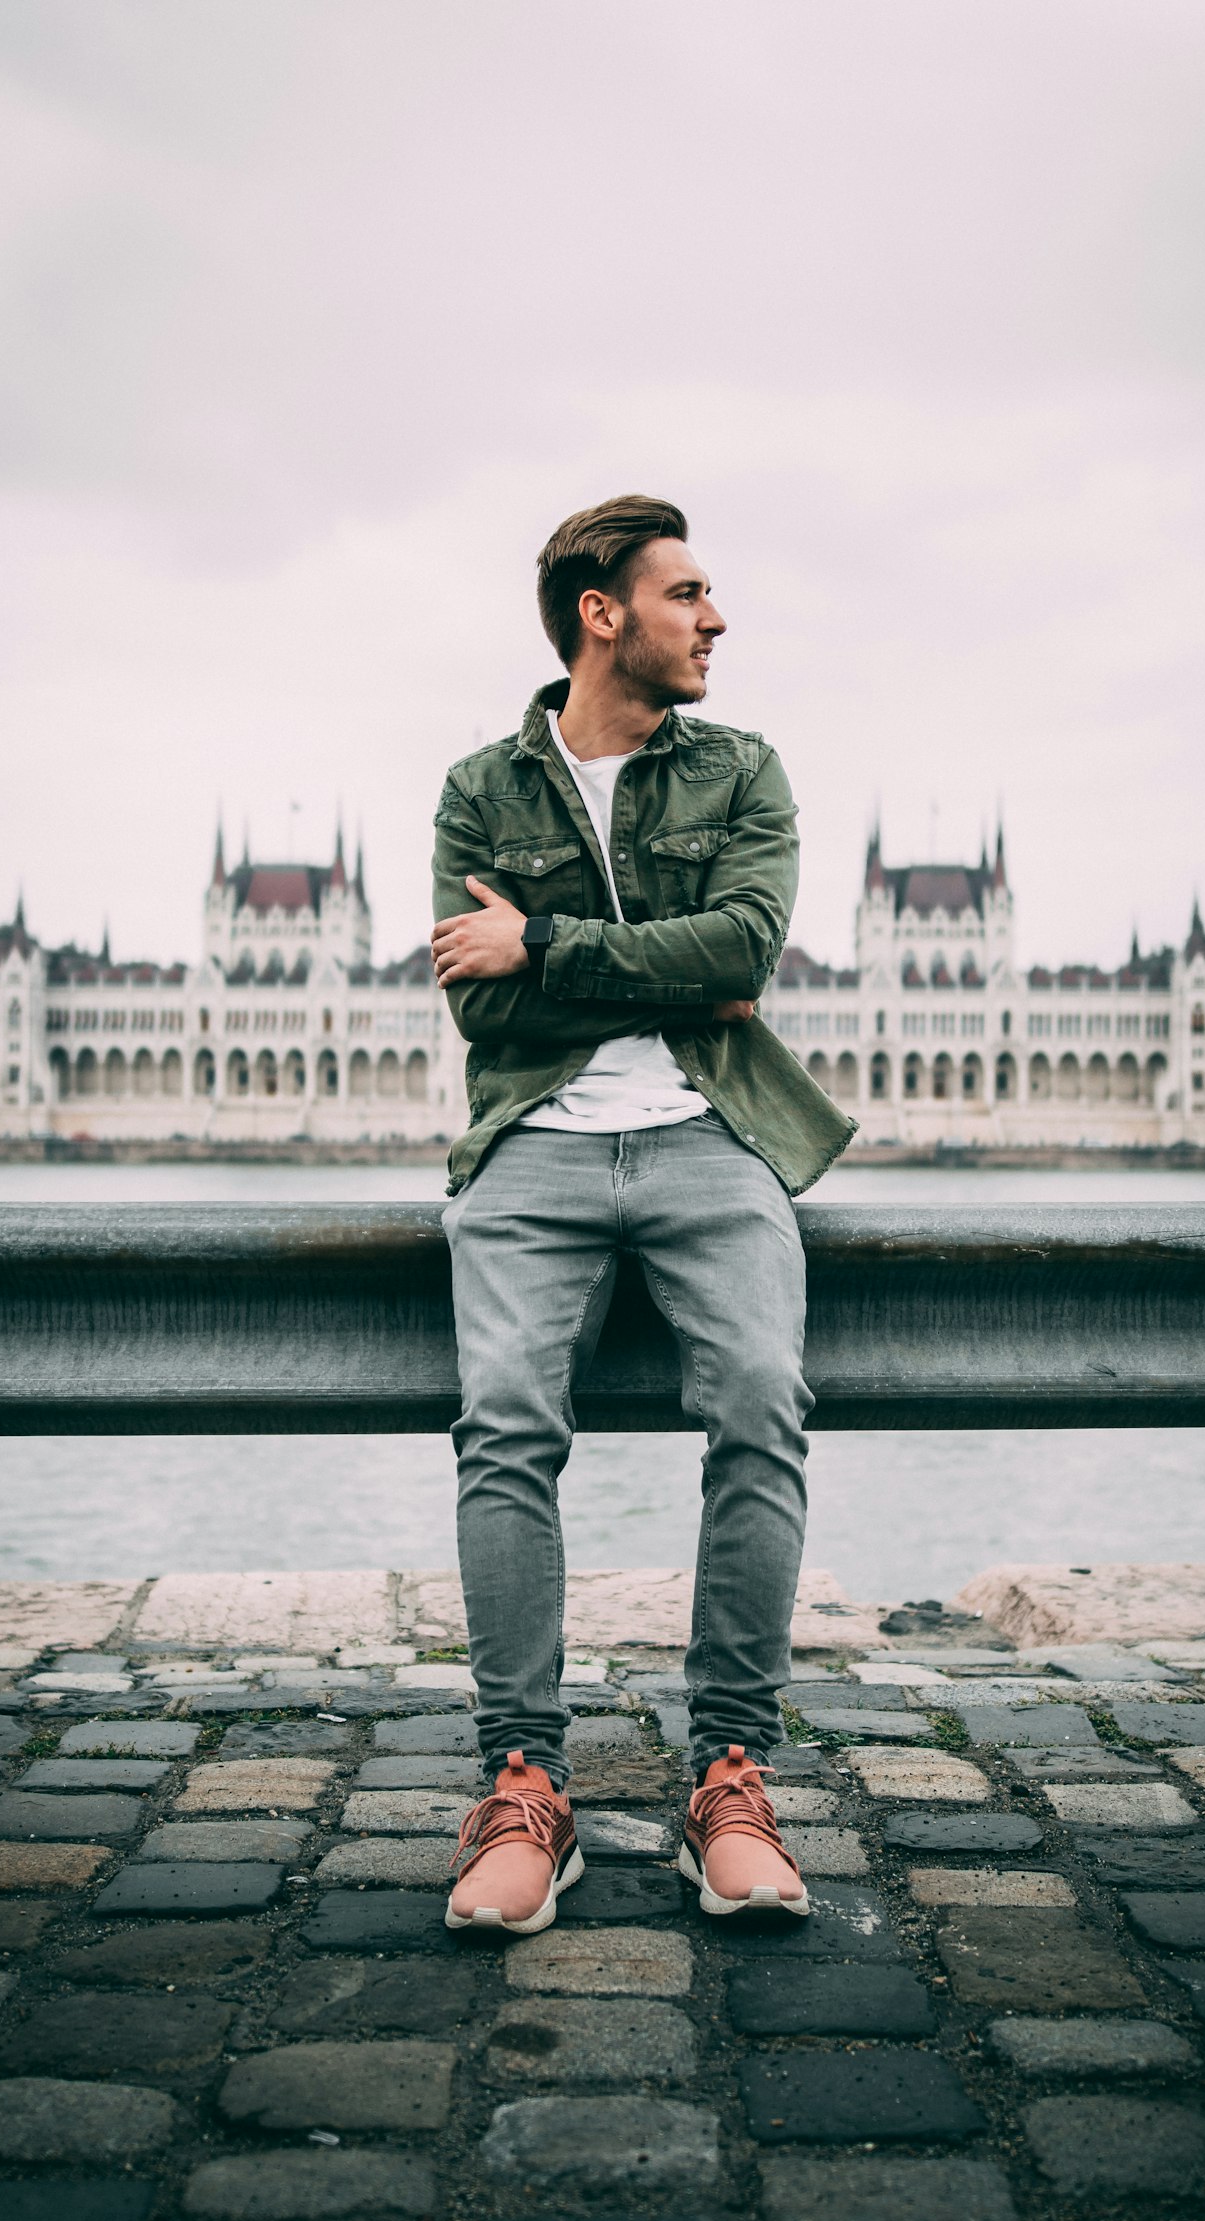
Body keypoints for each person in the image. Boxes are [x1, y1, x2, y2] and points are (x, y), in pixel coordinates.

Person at [429, 494, 855, 1935]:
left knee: (759, 1398)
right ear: (601, 612)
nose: (715, 618)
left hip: (711, 1134)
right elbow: (475, 996)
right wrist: (658, 970)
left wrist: (544, 934)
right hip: (534, 1142)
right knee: (504, 1425)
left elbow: (743, 954)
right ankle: (525, 1785)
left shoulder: (743, 768)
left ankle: (726, 1775)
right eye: (688, 594)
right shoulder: (482, 787)